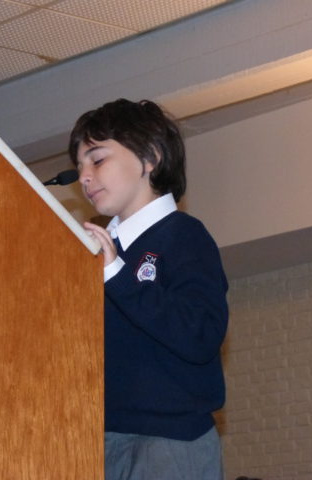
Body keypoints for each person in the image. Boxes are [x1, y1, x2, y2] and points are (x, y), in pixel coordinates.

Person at [69, 98, 229, 480]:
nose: (84, 177)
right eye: (79, 167)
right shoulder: (94, 256)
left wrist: (118, 275)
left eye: (97, 159)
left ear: (150, 157)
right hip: (99, 438)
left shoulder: (184, 236)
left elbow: (201, 334)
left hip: (171, 440)